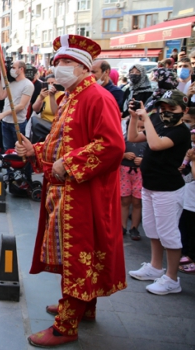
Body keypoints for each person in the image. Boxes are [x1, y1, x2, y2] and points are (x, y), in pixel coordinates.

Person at [16, 35, 126, 347]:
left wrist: (70, 163)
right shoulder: (71, 97)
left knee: (80, 255)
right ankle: (84, 305)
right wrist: (34, 151)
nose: (57, 67)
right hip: (66, 190)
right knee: (76, 254)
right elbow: (60, 142)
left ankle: (67, 323)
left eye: (64, 62)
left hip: (84, 193)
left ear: (81, 66)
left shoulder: (96, 97)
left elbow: (112, 145)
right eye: (57, 62)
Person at [127, 90, 191, 295]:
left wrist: (147, 119)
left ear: (184, 110)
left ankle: (172, 278)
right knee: (153, 229)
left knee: (168, 233)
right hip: (150, 185)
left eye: (172, 109)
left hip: (168, 189)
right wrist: (134, 118)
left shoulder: (181, 132)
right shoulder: (158, 122)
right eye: (163, 108)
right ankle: (155, 266)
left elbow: (155, 145)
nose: (166, 113)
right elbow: (134, 137)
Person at [0, 60, 34, 151]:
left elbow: (21, 106)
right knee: (8, 150)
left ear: (21, 69)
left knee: (19, 151)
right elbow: (1, 96)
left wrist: (3, 114)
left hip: (18, 123)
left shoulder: (28, 84)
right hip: (6, 122)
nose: (11, 70)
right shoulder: (11, 83)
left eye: (13, 68)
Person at [120, 118, 146, 240]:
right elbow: (115, 152)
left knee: (137, 201)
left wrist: (144, 161)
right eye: (137, 127)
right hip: (124, 171)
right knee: (124, 200)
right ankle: (122, 226)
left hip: (140, 174)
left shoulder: (150, 141)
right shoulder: (124, 138)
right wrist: (124, 155)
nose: (139, 131)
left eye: (142, 128)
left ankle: (134, 227)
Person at [179, 128, 195, 274]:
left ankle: (192, 256)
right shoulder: (191, 149)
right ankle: (186, 253)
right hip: (188, 198)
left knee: (192, 229)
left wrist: (193, 160)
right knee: (185, 226)